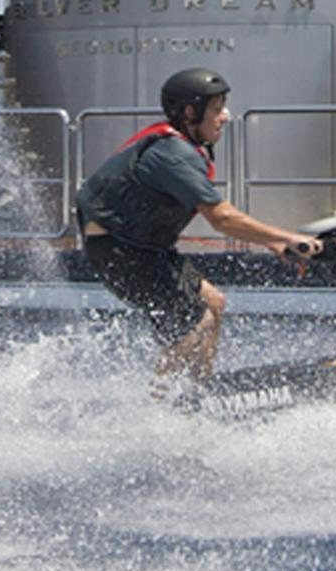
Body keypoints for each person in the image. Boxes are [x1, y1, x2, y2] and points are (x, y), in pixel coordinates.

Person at [73, 68, 322, 388]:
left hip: (145, 249)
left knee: (213, 303)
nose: (224, 117)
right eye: (217, 110)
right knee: (197, 323)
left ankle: (199, 392)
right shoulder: (171, 154)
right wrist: (287, 236)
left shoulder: (180, 149)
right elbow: (223, 218)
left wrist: (270, 243)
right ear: (190, 113)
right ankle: (157, 407)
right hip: (120, 251)